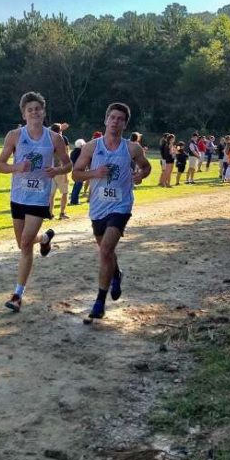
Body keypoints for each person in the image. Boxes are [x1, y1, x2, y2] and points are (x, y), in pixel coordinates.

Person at [73, 102, 151, 321]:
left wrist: (140, 175)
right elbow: (76, 174)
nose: (115, 121)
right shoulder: (91, 147)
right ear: (106, 120)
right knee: (106, 251)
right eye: (113, 117)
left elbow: (146, 167)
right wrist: (94, 173)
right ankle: (116, 274)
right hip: (98, 207)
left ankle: (99, 301)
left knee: (106, 249)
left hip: (121, 205)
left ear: (125, 124)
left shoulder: (132, 148)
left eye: (120, 119)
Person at [0, 91, 72, 312]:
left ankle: (18, 294)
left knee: (26, 244)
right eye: (30, 109)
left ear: (44, 111)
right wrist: (15, 167)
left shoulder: (54, 138)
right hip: (18, 196)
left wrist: (57, 169)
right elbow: (0, 165)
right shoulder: (14, 136)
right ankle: (46, 237)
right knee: (23, 243)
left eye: (38, 108)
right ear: (24, 113)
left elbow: (68, 165)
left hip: (39, 197)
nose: (35, 112)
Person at [49, 122, 70, 219]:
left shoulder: (47, 140)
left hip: (50, 169)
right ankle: (62, 213)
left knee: (51, 194)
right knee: (64, 192)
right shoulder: (63, 139)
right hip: (60, 169)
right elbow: (66, 154)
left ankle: (49, 214)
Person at [69, 138, 86, 205]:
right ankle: (74, 201)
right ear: (81, 145)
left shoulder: (73, 151)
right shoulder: (81, 152)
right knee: (78, 186)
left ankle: (73, 200)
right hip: (80, 170)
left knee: (76, 185)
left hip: (74, 170)